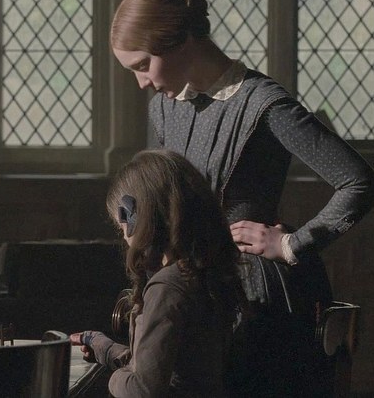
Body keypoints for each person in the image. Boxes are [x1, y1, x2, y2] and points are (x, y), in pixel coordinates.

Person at [108, 0, 374, 396]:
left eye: (143, 65)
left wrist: (291, 244)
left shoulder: (264, 104)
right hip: (189, 291)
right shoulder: (164, 108)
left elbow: (359, 183)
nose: (141, 81)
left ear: (182, 40)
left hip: (256, 298)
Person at [71, 149, 247, 397]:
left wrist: (113, 378)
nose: (123, 232)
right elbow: (169, 365)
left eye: (121, 221)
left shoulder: (167, 286)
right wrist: (106, 349)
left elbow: (144, 389)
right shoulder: (198, 272)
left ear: (133, 214)